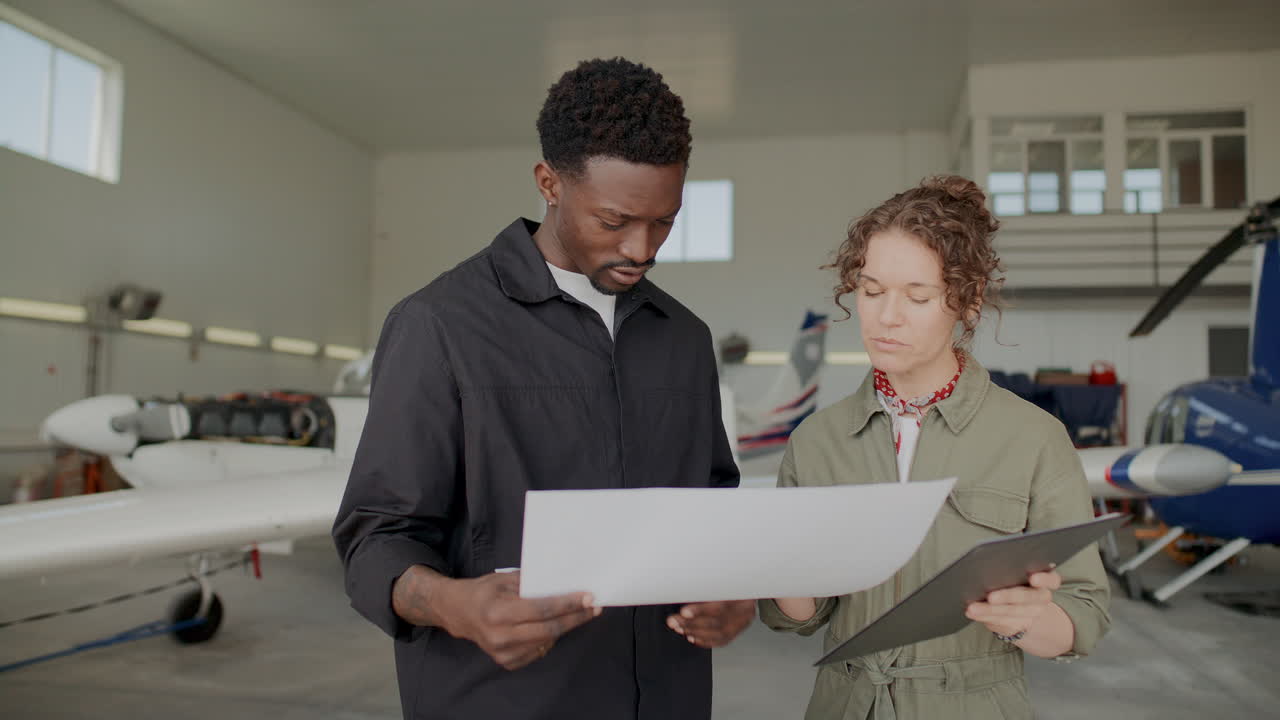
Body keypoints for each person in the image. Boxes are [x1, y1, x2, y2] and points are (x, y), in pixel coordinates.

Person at [332, 57, 754, 720]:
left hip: (668, 697)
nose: (642, 248)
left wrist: (734, 589)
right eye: (614, 221)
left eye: (664, 221)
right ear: (548, 183)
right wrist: (455, 605)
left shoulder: (683, 339)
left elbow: (712, 504)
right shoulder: (440, 326)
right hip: (503, 700)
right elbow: (374, 540)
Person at [760, 176, 1110, 719]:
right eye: (871, 291)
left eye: (917, 297)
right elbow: (799, 617)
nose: (885, 316)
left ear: (967, 301)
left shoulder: (1034, 437)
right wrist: (776, 567)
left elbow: (1084, 615)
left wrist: (1027, 619)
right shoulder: (816, 440)